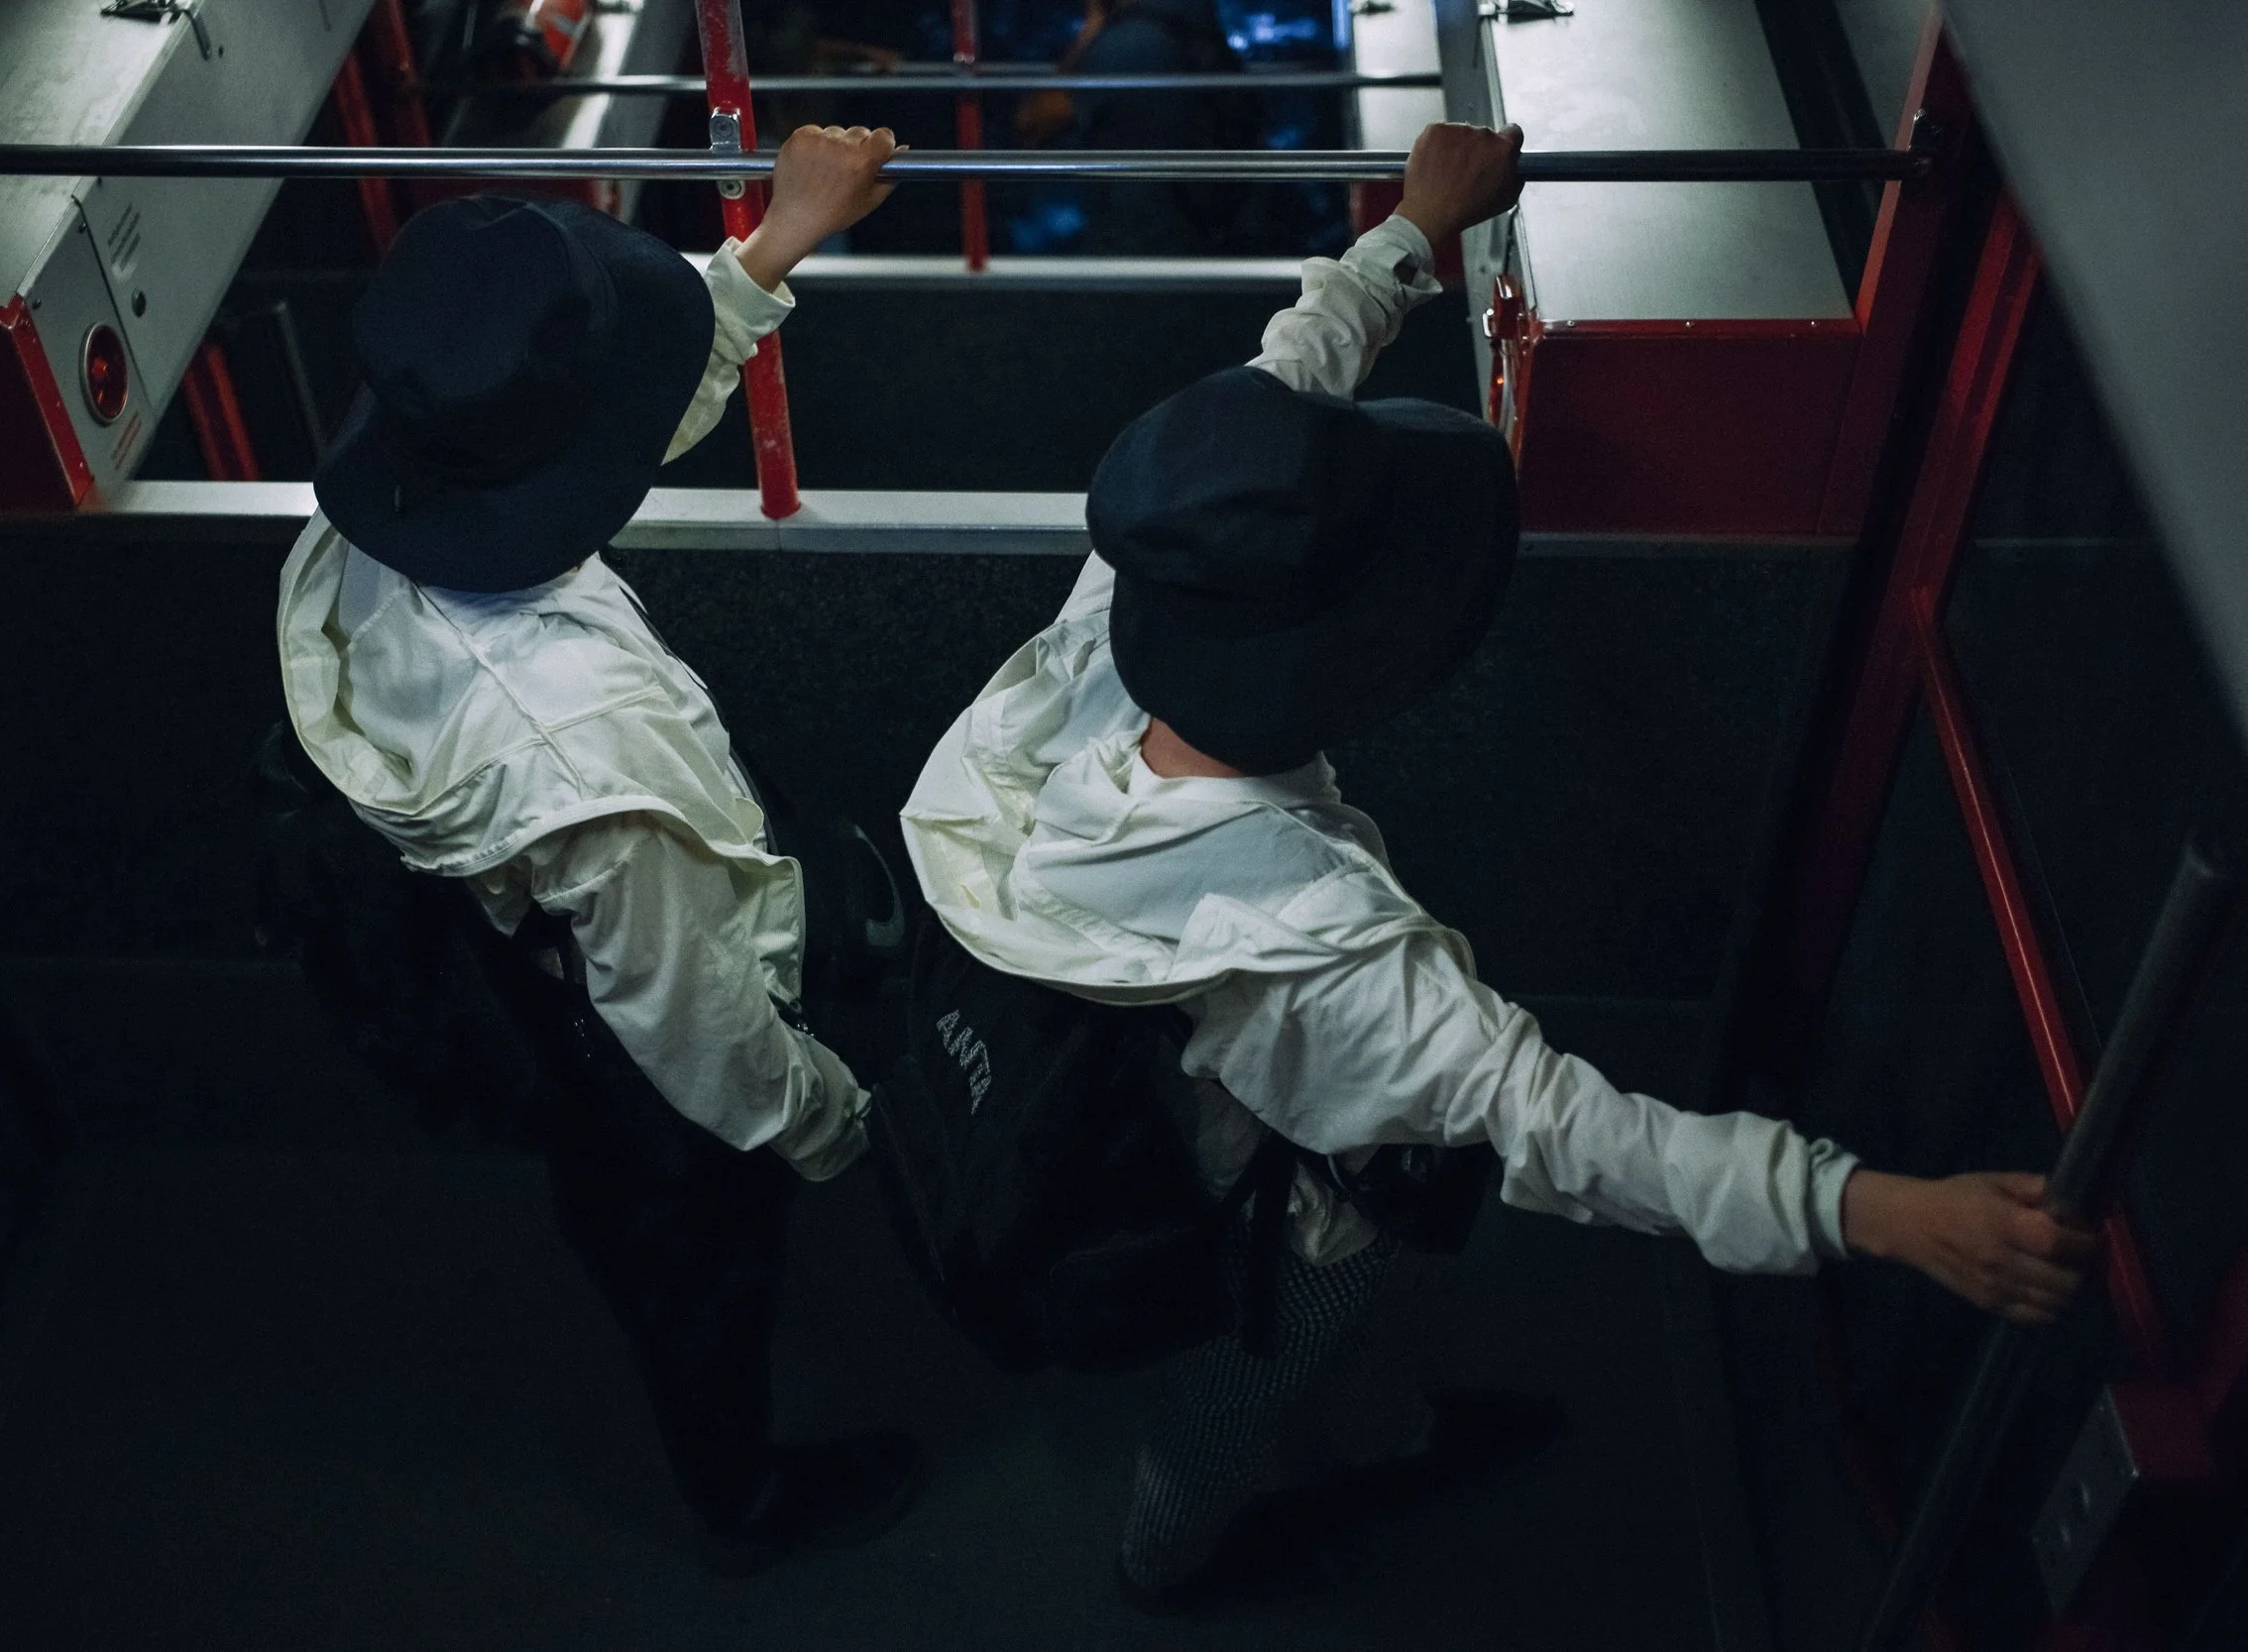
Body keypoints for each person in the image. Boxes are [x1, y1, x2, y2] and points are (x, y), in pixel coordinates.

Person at [897, 121, 2100, 1607]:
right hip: (1282, 1215)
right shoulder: (1325, 943)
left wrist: (1410, 237)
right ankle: (1167, 1558)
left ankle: (1387, 1431)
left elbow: (1274, 399)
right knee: (1248, 1380)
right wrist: (1876, 1207)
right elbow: (1570, 1129)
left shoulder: (1110, 625)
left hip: (1163, 1113)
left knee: (1347, 1341)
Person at [274, 125, 921, 1577]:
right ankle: (743, 1496)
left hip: (500, 953)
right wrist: (831, 1120)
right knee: (692, 1247)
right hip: (633, 1043)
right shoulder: (587, 751)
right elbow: (692, 1024)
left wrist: (767, 249)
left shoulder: (373, 504)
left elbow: (587, 424)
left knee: (616, 1200)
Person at [1016, 0, 1259, 254]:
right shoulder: (1192, 26)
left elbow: (1033, 123)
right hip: (1198, 233)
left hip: (1137, 242)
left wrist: (1090, 30)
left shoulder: (1130, 43)